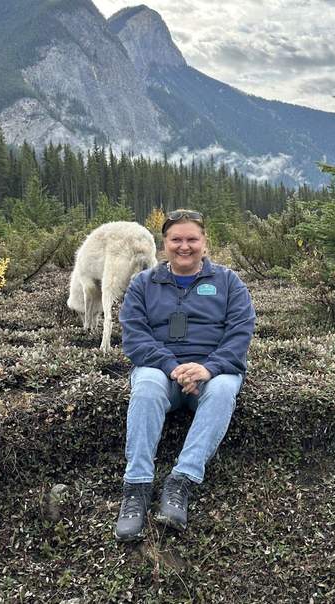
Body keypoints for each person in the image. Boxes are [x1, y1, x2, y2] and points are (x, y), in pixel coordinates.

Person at [114, 209, 256, 539]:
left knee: (223, 390)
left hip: (212, 373)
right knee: (146, 386)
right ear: (164, 244)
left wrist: (209, 367)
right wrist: (171, 366)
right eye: (176, 239)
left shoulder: (228, 282)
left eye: (192, 239)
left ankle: (181, 482)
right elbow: (134, 336)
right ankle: (136, 487)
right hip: (162, 372)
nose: (184, 246)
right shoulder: (143, 284)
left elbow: (240, 332)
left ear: (205, 242)